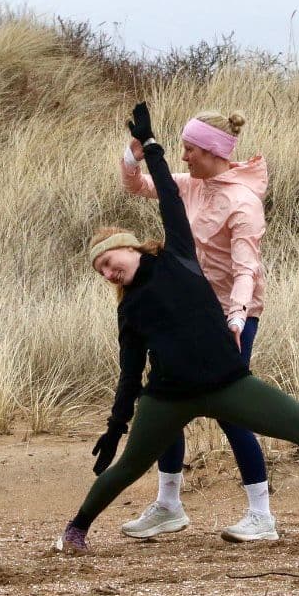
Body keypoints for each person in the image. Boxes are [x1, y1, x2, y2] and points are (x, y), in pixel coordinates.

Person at [56, 103, 299, 554]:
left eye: (109, 262)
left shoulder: (190, 244)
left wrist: (237, 314)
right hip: (170, 391)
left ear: (130, 246)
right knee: (129, 462)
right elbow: (129, 371)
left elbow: (244, 264)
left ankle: (294, 518)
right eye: (99, 270)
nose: (107, 273)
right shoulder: (131, 306)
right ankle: (105, 522)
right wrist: (115, 424)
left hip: (226, 339)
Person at [116, 108, 276, 542]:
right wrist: (134, 158)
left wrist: (238, 313)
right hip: (184, 314)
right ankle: (169, 506)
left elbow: (247, 267)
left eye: (189, 149)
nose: (183, 157)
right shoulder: (190, 186)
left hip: (231, 319)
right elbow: (140, 187)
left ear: (211, 151)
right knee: (166, 406)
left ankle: (261, 516)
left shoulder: (243, 203)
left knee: (231, 410)